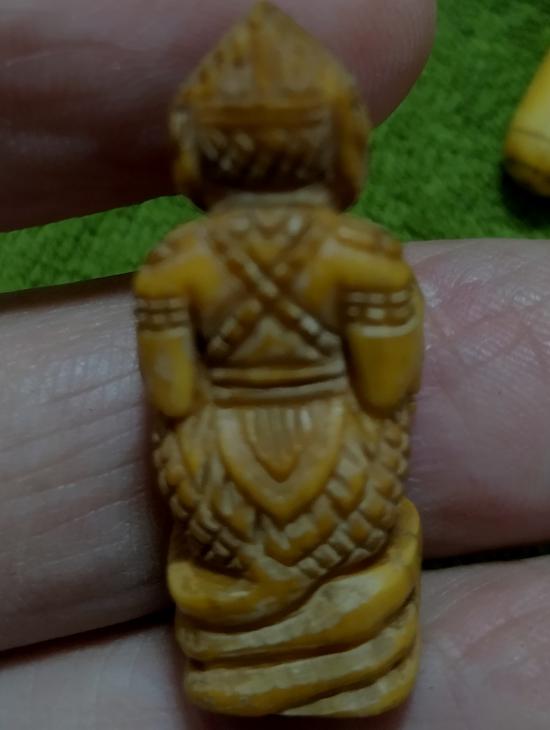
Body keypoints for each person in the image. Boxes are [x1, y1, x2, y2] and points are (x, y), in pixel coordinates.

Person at [0, 1, 549, 728]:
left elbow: (172, 393)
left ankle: (243, 651)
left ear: (198, 145)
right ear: (340, 138)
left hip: (222, 465)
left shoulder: (177, 264)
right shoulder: (364, 258)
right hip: (339, 457)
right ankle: (350, 652)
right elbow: (387, 384)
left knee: (227, 552)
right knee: (356, 547)